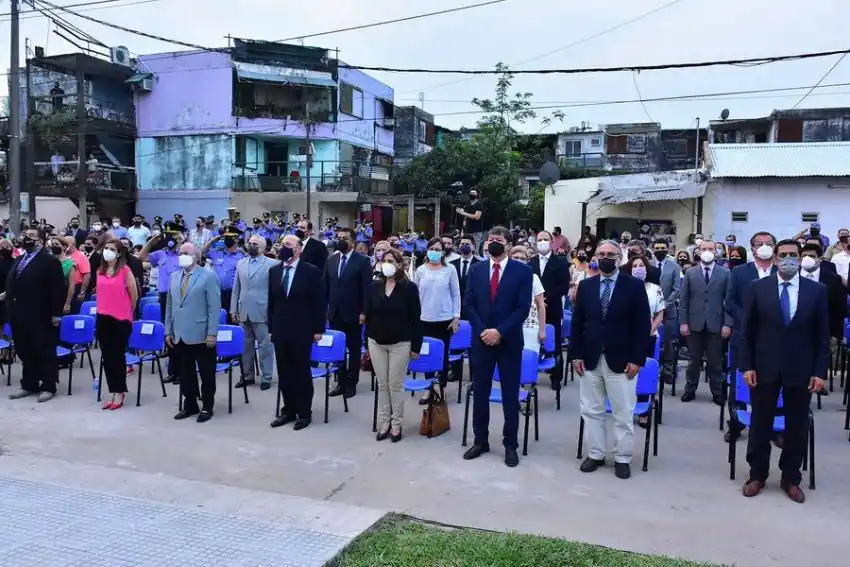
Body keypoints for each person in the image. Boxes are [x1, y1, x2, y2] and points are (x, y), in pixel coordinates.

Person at [739, 240, 829, 503]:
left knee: (797, 426)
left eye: (793, 255)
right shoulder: (758, 288)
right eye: (783, 255)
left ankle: (791, 477)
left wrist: (820, 372)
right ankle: (757, 474)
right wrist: (747, 366)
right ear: (775, 259)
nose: (788, 259)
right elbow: (747, 332)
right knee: (760, 425)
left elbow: (822, 336)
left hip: (801, 370)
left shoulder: (817, 291)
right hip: (764, 367)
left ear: (800, 258)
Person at [571, 240, 650, 479]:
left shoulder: (634, 287)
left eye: (610, 254)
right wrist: (575, 354)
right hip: (590, 358)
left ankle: (622, 457)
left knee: (622, 413)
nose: (605, 258)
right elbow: (577, 324)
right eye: (601, 254)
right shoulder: (586, 286)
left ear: (619, 258)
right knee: (592, 410)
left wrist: (637, 359)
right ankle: (595, 453)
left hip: (622, 360)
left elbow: (642, 326)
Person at [462, 226, 533, 468]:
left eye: (498, 240)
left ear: (509, 245)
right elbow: (468, 304)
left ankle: (510, 444)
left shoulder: (523, 272)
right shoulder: (476, 270)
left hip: (509, 341)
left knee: (510, 395)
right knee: (480, 392)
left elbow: (522, 308)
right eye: (490, 239)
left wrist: (500, 331)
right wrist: (483, 330)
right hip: (481, 341)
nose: (493, 243)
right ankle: (480, 440)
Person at [363, 248, 422, 441]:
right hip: (376, 341)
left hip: (400, 342)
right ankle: (384, 422)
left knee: (394, 385)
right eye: (384, 260)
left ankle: (397, 424)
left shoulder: (409, 288)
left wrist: (416, 346)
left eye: (391, 260)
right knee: (382, 384)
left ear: (399, 264)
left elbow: (416, 319)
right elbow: (368, 315)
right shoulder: (374, 286)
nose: (387, 264)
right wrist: (367, 341)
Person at [268, 235, 325, 430]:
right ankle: (288, 409)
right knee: (284, 372)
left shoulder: (310, 271)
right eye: (282, 244)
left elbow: (318, 302)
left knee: (301, 372)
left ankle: (304, 412)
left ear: (299, 250)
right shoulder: (274, 271)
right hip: (280, 329)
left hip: (302, 329)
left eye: (288, 245)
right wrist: (270, 328)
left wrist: (318, 329)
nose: (284, 248)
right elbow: (271, 303)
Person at [725, 231, 777, 442]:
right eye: (760, 243)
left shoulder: (783, 272)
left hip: (775, 340)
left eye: (769, 243)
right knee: (740, 382)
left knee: (773, 382)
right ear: (752, 247)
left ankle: (773, 426)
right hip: (744, 337)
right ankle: (736, 424)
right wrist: (747, 320)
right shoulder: (739, 273)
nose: (764, 246)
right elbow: (730, 302)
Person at [6, 228, 66, 403]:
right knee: (24, 349)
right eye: (24, 235)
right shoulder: (20, 259)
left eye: (31, 236)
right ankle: (29, 384)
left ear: (40, 241)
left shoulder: (49, 261)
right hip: (20, 313)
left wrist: (56, 314)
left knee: (44, 350)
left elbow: (58, 289)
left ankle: (48, 386)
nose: (25, 238)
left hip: (41, 314)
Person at [165, 243, 221, 423]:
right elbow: (170, 306)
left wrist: (212, 333)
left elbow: (214, 307)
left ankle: (207, 406)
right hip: (180, 332)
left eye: (186, 253)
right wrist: (168, 331)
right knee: (186, 372)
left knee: (206, 373)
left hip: (202, 333)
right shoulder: (174, 276)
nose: (181, 255)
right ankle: (190, 404)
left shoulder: (208, 276)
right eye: (180, 253)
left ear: (196, 257)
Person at [679, 239, 733, 405]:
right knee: (693, 360)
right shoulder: (690, 273)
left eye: (711, 248)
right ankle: (690, 389)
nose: (708, 251)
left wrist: (727, 324)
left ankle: (717, 392)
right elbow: (684, 300)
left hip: (716, 323)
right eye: (704, 248)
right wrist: (683, 322)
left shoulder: (725, 273)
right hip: (694, 322)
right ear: (698, 251)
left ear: (716, 251)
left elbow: (729, 300)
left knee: (715, 361)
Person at [324, 227, 372, 398]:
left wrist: (364, 312)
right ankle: (341, 382)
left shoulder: (362, 261)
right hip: (335, 312)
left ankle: (352, 382)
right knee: (338, 349)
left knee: (353, 349)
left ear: (353, 241)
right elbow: (326, 287)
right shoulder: (331, 260)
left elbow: (367, 289)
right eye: (338, 237)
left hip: (354, 313)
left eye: (344, 237)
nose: (340, 240)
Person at [413, 237, 461, 401]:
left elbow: (456, 294)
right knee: (426, 354)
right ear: (427, 251)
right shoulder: (420, 270)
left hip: (444, 319)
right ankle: (428, 388)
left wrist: (456, 317)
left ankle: (441, 387)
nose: (434, 252)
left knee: (442, 355)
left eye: (438, 249)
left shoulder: (450, 270)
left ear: (442, 252)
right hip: (424, 319)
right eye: (432, 248)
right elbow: (415, 296)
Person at [231, 235, 279, 391]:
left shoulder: (272, 264)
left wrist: (273, 313)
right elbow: (236, 289)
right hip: (243, 309)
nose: (251, 245)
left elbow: (275, 292)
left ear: (263, 248)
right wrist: (233, 309)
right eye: (250, 243)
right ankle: (247, 376)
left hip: (262, 310)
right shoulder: (240, 263)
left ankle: (266, 377)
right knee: (245, 346)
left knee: (265, 346)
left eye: (255, 244)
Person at [95, 238, 138, 410]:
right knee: (107, 357)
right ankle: (112, 391)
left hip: (120, 320)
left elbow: (134, 296)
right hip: (102, 318)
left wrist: (125, 312)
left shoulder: (125, 271)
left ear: (119, 253)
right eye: (105, 248)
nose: (107, 251)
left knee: (117, 357)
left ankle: (120, 391)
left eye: (111, 249)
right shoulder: (100, 271)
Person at [530, 230, 570, 388]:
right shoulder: (531, 262)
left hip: (552, 307)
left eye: (545, 239)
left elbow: (564, 286)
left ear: (551, 241)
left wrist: (545, 298)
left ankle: (556, 377)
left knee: (554, 342)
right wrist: (536, 300)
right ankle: (530, 372)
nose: (542, 242)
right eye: (539, 239)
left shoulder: (560, 262)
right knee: (533, 340)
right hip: (534, 309)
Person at [800, 243, 848, 362]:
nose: (807, 259)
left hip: (823, 330)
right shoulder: (791, 276)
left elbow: (839, 308)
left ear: (820, 259)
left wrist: (835, 334)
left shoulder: (832, 279)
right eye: (804, 255)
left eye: (811, 256)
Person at [650, 239, 681, 382]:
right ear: (653, 248)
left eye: (663, 247)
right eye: (657, 247)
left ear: (668, 249)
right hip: (650, 310)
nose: (660, 250)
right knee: (650, 340)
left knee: (668, 342)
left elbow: (676, 289)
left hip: (669, 310)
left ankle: (668, 371)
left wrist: (664, 304)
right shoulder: (648, 265)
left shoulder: (674, 266)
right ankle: (651, 370)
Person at [203, 227, 245, 323]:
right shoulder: (217, 252)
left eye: (230, 238)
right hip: (217, 293)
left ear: (236, 239)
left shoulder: (241, 255)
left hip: (233, 294)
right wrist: (213, 240)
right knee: (217, 319)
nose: (227, 240)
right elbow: (202, 252)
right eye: (225, 237)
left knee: (232, 320)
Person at [509, 246, 546, 350]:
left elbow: (541, 305)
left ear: (527, 261)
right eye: (516, 257)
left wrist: (542, 330)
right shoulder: (503, 277)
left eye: (523, 258)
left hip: (531, 326)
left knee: (529, 361)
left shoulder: (534, 278)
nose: (519, 260)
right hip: (509, 327)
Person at [63, 236, 91, 312]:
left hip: (76, 288)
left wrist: (82, 292)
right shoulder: (63, 256)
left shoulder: (81, 256)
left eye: (65, 243)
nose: (63, 246)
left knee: (74, 311)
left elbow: (87, 275)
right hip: (64, 288)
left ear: (72, 244)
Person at [51, 237, 78, 315]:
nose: (54, 246)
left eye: (57, 244)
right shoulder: (49, 261)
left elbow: (72, 286)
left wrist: (67, 304)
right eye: (52, 244)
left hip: (63, 298)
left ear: (64, 247)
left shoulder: (70, 264)